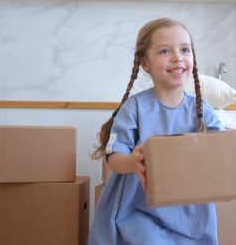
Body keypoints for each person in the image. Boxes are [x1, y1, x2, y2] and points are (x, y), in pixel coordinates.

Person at [88, 17, 225, 245]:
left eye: (185, 49)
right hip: (139, 208)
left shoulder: (203, 111)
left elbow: (221, 151)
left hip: (190, 213)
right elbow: (114, 156)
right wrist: (133, 162)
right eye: (164, 51)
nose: (177, 57)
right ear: (145, 64)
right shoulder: (134, 108)